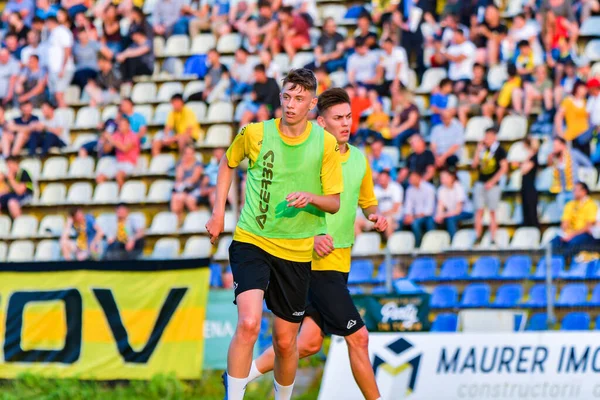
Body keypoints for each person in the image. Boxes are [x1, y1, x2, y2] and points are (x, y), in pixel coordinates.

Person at [205, 68, 342, 400]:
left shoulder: (325, 143)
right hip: (252, 240)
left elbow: (334, 203)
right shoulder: (255, 133)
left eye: (299, 98)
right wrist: (219, 211)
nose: (291, 104)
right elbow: (227, 163)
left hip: (295, 252)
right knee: (249, 323)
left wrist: (311, 198)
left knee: (284, 341)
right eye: (286, 96)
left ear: (311, 104)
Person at [247, 87, 386, 400]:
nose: (346, 123)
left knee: (308, 343)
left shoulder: (360, 160)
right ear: (321, 123)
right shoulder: (310, 159)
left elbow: (368, 201)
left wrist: (377, 216)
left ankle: (241, 375)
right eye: (338, 118)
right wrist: (311, 236)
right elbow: (284, 206)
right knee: (359, 338)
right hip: (315, 264)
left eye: (349, 116)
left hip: (340, 265)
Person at [472, 127, 508, 246]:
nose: (486, 139)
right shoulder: (483, 149)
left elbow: (504, 168)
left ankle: (493, 237)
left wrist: (492, 181)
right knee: (479, 210)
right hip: (480, 182)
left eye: (488, 136)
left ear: (494, 136)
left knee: (492, 211)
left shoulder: (499, 150)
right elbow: (474, 165)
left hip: (492, 185)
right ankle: (477, 236)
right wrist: (478, 150)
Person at [550, 182, 597, 259]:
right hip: (569, 234)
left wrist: (572, 234)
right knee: (553, 243)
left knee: (572, 244)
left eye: (575, 190)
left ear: (584, 191)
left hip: (584, 234)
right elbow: (564, 223)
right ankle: (552, 266)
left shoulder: (591, 205)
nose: (573, 192)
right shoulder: (570, 205)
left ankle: (567, 266)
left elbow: (588, 227)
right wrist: (565, 232)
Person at [548, 136, 592, 209]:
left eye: (556, 145)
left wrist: (583, 176)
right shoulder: (555, 157)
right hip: (561, 191)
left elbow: (588, 163)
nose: (554, 148)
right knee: (563, 214)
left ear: (563, 145)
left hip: (574, 190)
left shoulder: (574, 153)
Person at [96, 117, 140, 188]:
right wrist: (105, 140)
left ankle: (121, 195)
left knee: (119, 175)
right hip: (118, 162)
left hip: (129, 163)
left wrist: (111, 139)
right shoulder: (116, 135)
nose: (120, 127)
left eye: (122, 125)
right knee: (100, 177)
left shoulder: (134, 136)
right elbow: (106, 150)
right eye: (120, 125)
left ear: (128, 125)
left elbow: (125, 148)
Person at [45, 16, 75, 108]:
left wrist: (63, 68)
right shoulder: (52, 34)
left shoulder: (62, 32)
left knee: (59, 95)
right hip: (54, 70)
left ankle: (64, 117)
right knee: (55, 96)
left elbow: (67, 50)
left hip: (62, 69)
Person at [434, 169, 472, 238]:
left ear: (452, 177)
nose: (443, 180)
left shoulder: (459, 187)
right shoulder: (441, 190)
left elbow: (458, 211)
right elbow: (440, 206)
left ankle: (453, 240)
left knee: (451, 219)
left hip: (466, 212)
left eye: (445, 177)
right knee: (433, 220)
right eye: (442, 178)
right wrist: (439, 215)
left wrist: (443, 215)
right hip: (450, 213)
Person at [170, 144, 203, 222]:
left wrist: (184, 183)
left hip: (194, 189)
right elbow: (179, 178)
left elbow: (194, 179)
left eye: (190, 153)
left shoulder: (197, 164)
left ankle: (198, 220)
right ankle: (177, 221)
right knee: (176, 198)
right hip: (183, 189)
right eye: (187, 153)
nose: (188, 155)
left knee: (182, 198)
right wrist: (182, 166)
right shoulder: (180, 164)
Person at [403, 171, 436, 247]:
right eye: (410, 178)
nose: (410, 180)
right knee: (402, 222)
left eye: (412, 178)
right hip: (416, 216)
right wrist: (408, 216)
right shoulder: (409, 190)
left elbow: (429, 210)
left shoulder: (429, 188)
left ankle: (421, 245)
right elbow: (408, 206)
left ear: (419, 178)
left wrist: (413, 217)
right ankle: (407, 246)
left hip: (429, 216)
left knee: (417, 223)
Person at [512, 138, 539, 227]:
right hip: (524, 187)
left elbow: (524, 169)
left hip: (530, 188)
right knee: (525, 211)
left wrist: (521, 163)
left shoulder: (534, 158)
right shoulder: (528, 158)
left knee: (531, 212)